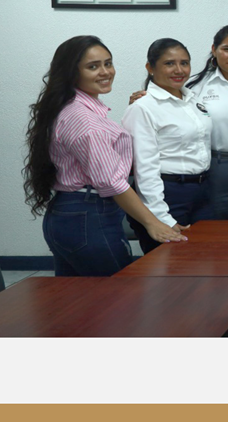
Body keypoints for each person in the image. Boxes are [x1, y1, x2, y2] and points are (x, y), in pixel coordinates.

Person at [24, 36, 184, 276]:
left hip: (69, 213)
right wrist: (153, 222)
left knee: (78, 300)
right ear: (71, 72)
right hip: (89, 216)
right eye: (93, 66)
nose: (105, 72)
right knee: (116, 300)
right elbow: (111, 182)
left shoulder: (74, 107)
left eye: (108, 64)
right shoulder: (85, 120)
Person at [131, 25, 228, 220]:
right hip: (215, 167)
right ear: (214, 50)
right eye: (227, 49)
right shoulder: (193, 87)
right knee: (218, 231)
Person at [122, 38, 213, 255]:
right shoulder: (143, 107)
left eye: (184, 63)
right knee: (168, 266)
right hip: (168, 194)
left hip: (203, 191)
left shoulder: (193, 100)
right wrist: (161, 217)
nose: (179, 70)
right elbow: (145, 169)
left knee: (204, 262)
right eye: (169, 63)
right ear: (150, 68)